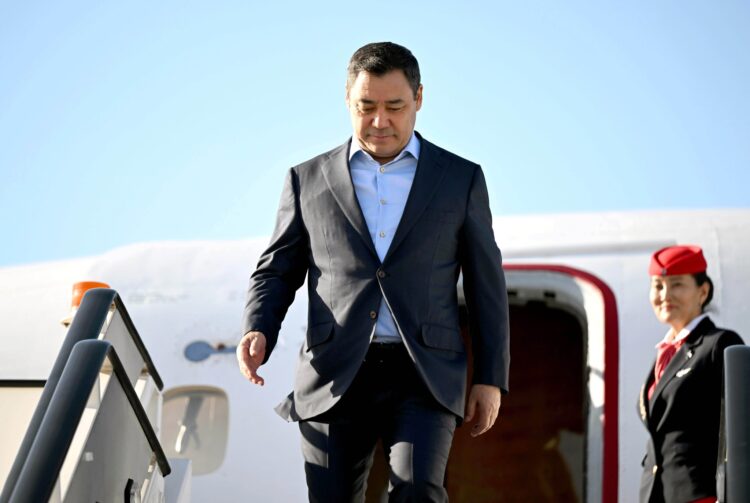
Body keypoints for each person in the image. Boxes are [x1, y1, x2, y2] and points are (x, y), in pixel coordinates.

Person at [236, 41, 510, 502]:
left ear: (419, 99)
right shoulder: (306, 179)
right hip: (334, 371)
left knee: (418, 489)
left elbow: (487, 285)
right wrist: (258, 327)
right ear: (347, 99)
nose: (380, 121)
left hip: (423, 373)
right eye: (366, 107)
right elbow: (276, 270)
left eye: (394, 107)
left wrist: (490, 377)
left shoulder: (459, 179)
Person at [638, 245, 744, 503]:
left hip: (700, 494)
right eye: (658, 286)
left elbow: (741, 428)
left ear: (703, 291)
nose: (665, 295)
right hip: (658, 495)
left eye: (677, 285)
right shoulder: (665, 353)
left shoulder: (718, 344)